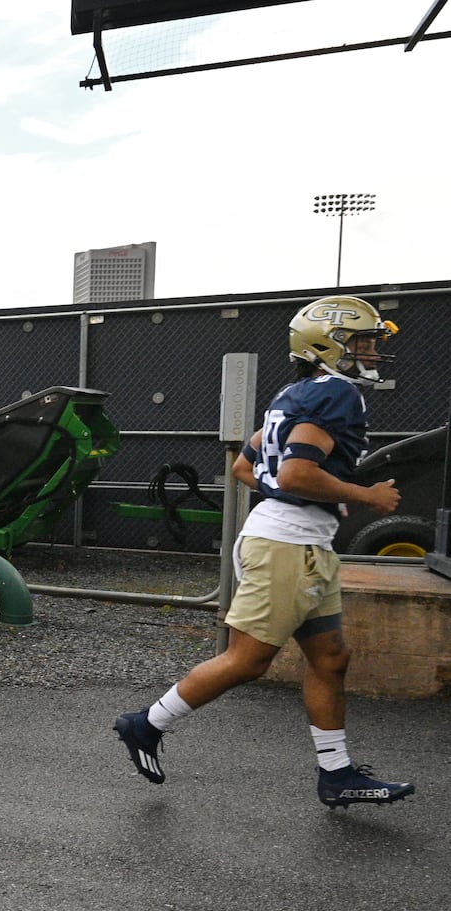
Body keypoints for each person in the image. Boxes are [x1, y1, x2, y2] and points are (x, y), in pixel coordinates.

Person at [114, 295, 415, 810]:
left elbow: (246, 467)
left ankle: (336, 774)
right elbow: (297, 473)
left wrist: (303, 493)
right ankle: (145, 724)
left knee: (331, 658)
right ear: (327, 346)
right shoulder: (338, 394)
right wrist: (367, 496)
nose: (371, 351)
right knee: (247, 662)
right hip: (286, 548)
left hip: (300, 544)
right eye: (361, 342)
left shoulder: (298, 391)